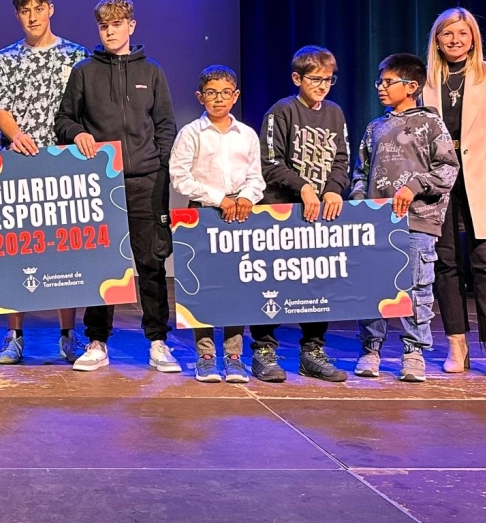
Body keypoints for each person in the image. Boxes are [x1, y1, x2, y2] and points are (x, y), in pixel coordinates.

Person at [55, 0, 179, 373]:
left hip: (146, 182)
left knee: (151, 262)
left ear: (131, 26)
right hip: (101, 183)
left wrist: (158, 167)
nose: (109, 31)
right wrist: (77, 134)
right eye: (103, 26)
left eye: (116, 24)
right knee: (101, 264)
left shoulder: (151, 71)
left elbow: (165, 125)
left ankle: (157, 342)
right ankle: (97, 342)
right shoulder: (84, 72)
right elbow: (63, 120)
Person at [0, 0, 90, 365]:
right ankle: (14, 336)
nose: (32, 16)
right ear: (18, 15)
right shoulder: (4, 59)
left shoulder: (76, 56)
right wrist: (15, 136)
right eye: (25, 10)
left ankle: (68, 334)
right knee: (17, 250)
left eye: (38, 8)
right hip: (18, 163)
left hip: (63, 164)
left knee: (66, 250)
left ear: (51, 9)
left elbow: (84, 108)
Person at [352, 54, 459, 383]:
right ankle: (371, 348)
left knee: (415, 288)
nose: (381, 87)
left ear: (411, 86)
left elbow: (448, 169)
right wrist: (359, 203)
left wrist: (414, 186)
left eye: (388, 82)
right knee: (373, 286)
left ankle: (413, 352)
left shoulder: (430, 123)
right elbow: (361, 172)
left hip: (416, 221)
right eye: (380, 82)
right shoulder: (375, 127)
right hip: (375, 223)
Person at [424, 8, 486, 380]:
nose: (455, 40)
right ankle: (456, 343)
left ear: (473, 37)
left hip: (480, 179)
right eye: (447, 33)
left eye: (462, 33)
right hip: (438, 181)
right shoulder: (426, 78)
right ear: (437, 40)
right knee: (445, 264)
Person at [252, 46, 351, 383]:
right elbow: (269, 162)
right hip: (281, 211)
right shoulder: (282, 111)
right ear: (297, 78)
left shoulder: (335, 113)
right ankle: (264, 350)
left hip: (320, 214)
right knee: (274, 283)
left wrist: (333, 188)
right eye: (315, 79)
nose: (323, 86)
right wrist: (304, 187)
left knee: (317, 283)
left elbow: (341, 159)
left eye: (329, 79)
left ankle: (312, 350)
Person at [169, 65, 265, 383]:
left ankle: (234, 355)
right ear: (200, 97)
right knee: (204, 284)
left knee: (236, 284)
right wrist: (217, 198)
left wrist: (246, 197)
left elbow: (256, 177)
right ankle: (206, 355)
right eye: (211, 93)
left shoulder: (247, 134)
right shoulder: (191, 133)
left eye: (225, 93)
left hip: (240, 213)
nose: (219, 99)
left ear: (235, 96)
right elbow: (180, 177)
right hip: (203, 212)